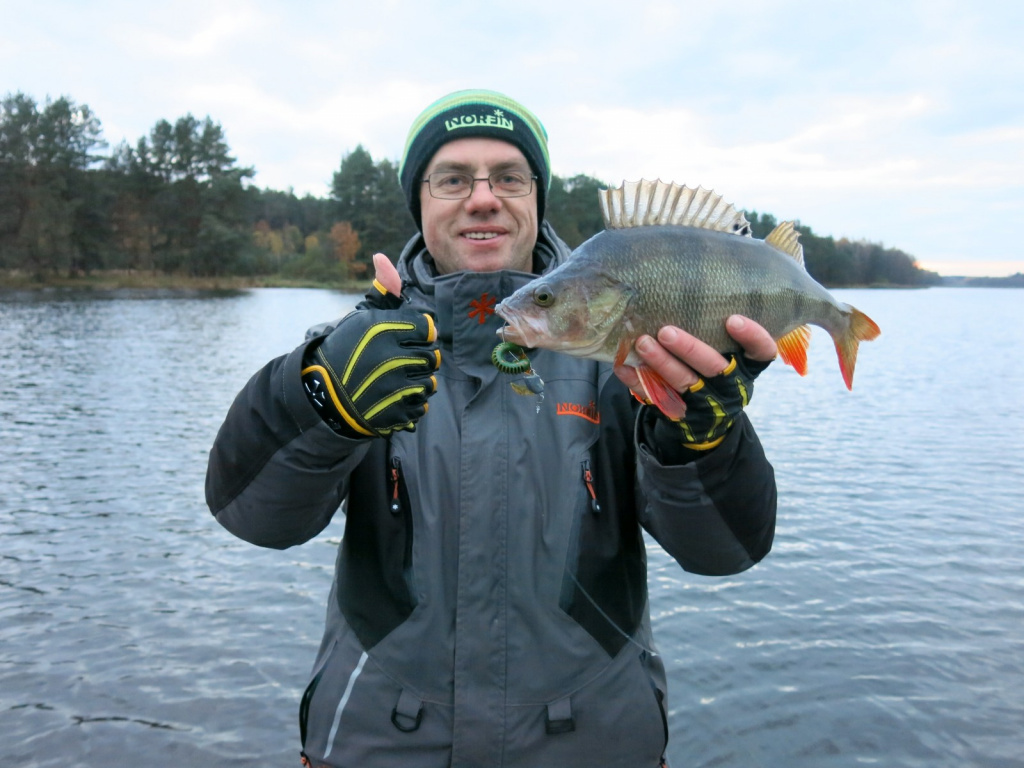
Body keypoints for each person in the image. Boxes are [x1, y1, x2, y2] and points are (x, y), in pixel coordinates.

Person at [206, 89, 778, 768]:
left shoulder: (633, 361)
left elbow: (727, 551)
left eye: (509, 176)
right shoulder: (357, 357)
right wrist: (317, 402)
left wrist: (703, 444)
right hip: (376, 745)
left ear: (536, 198)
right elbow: (252, 516)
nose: (483, 198)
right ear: (419, 202)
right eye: (452, 178)